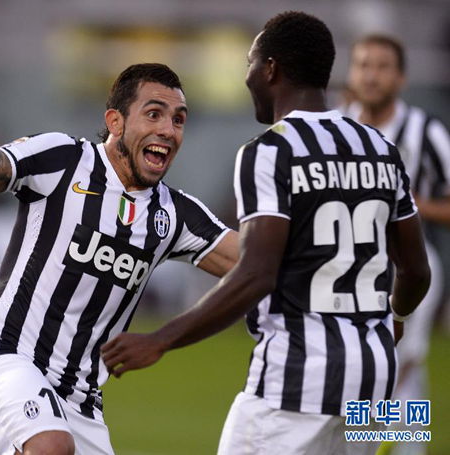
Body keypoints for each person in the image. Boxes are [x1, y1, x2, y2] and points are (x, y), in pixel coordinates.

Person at [101, 12, 431, 455]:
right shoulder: (380, 148)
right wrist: (395, 318)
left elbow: (256, 274)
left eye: (251, 63)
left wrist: (160, 339)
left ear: (271, 69)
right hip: (372, 379)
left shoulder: (271, 151)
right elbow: (416, 271)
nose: (247, 76)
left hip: (296, 375)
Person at [0, 63, 238, 455]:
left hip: (81, 403)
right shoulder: (64, 160)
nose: (168, 130)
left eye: (178, 119)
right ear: (115, 121)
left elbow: (257, 264)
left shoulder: (175, 215)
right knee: (50, 446)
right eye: (154, 114)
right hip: (6, 361)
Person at [345, 33, 450, 455]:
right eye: (363, 65)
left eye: (382, 66)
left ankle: (392, 444)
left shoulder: (424, 131)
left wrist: (409, 204)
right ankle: (372, 441)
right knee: (358, 368)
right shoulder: (335, 125)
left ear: (402, 77)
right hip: (344, 270)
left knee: (401, 366)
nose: (371, 75)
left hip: (410, 266)